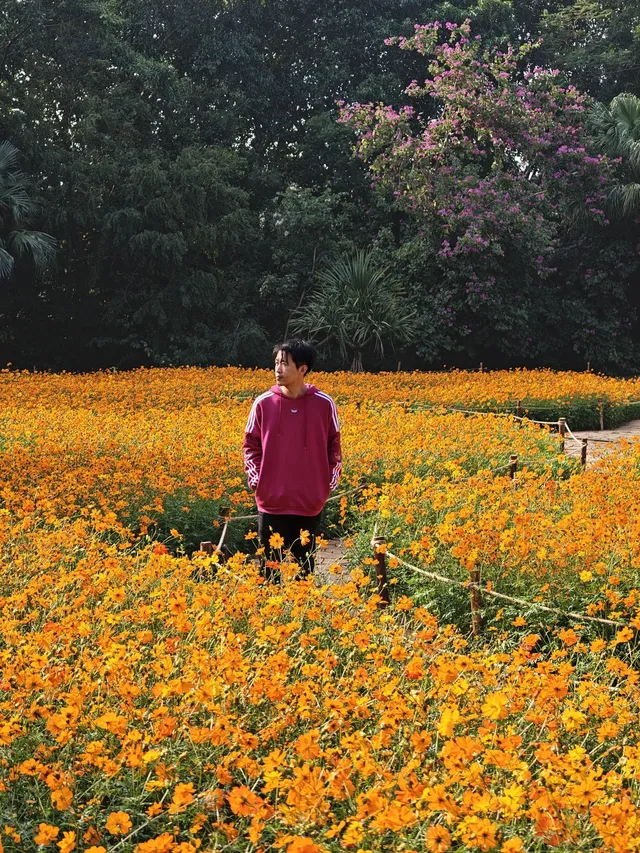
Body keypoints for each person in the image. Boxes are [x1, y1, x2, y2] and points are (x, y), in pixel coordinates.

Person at [243, 339, 342, 576]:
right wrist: (258, 481)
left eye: (285, 364)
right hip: (271, 502)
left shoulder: (324, 404)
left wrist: (326, 485)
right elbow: (250, 446)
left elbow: (334, 448)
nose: (278, 369)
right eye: (276, 363)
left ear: (302, 369)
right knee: (269, 571)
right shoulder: (263, 403)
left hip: (308, 502)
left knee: (303, 571)